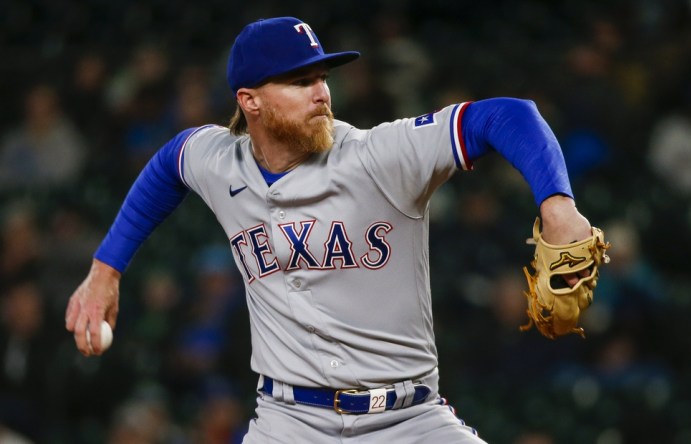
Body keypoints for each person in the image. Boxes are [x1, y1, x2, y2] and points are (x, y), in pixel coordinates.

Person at [65, 16, 595, 443]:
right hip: (288, 422)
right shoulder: (219, 161)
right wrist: (105, 269)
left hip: (408, 422)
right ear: (250, 100)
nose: (321, 91)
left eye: (322, 77)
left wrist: (557, 205)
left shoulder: (379, 157)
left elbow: (506, 116)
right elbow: (169, 165)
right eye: (300, 81)